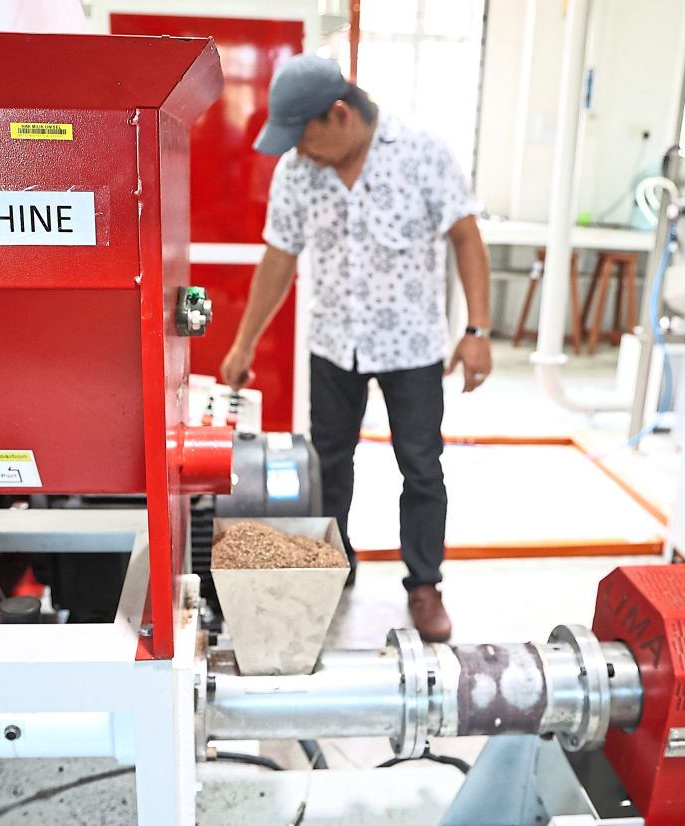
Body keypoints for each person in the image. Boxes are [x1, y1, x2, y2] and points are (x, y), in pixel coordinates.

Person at [220, 55, 492, 643]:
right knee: (329, 464)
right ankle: (332, 565)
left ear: (339, 114)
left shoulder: (422, 152)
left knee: (420, 466)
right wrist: (244, 342)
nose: (299, 150)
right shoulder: (297, 172)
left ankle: (424, 583)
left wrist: (478, 331)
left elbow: (466, 235)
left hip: (412, 347)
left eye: (305, 135)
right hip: (333, 345)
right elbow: (279, 257)